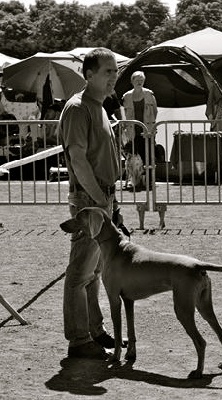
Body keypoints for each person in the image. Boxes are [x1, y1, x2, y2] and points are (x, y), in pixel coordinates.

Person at [59, 48, 123, 359]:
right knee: (81, 272)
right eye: (108, 71)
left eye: (115, 71)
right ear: (89, 75)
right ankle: (79, 340)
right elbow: (78, 159)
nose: (114, 76)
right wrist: (100, 201)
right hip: (90, 200)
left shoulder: (98, 105)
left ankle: (94, 331)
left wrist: (109, 201)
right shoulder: (78, 108)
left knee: (94, 271)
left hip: (100, 198)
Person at [122, 71, 157, 166]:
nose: (139, 82)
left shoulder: (149, 94)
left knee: (149, 156)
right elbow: (125, 113)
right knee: (134, 156)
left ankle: (149, 179)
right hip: (133, 131)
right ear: (132, 81)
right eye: (137, 80)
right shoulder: (126, 96)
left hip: (148, 130)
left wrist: (151, 124)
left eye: (141, 80)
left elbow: (155, 111)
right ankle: (136, 179)